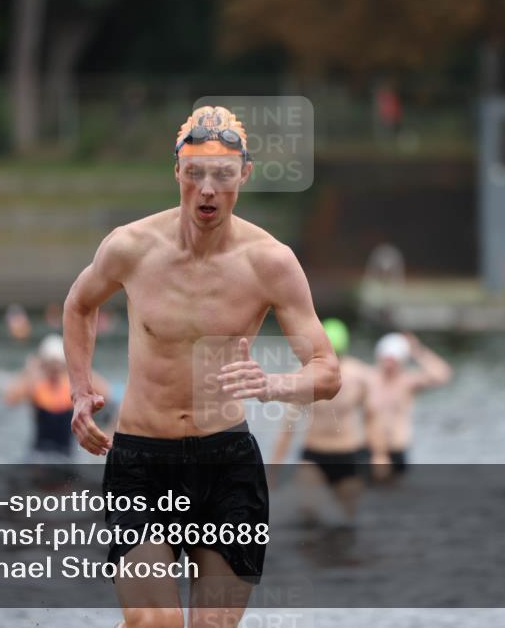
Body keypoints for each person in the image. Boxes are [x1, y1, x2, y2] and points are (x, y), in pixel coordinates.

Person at [63, 106, 341, 628]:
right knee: (157, 623)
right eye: (195, 174)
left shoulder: (270, 262)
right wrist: (80, 391)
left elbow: (327, 372)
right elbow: (79, 304)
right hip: (142, 461)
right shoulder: (131, 247)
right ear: (177, 173)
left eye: (223, 175)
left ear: (245, 175)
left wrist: (274, 383)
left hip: (226, 462)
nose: (208, 190)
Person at [270, 318, 384, 522]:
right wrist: (272, 470)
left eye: (337, 355)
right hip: (314, 454)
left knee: (349, 520)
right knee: (309, 510)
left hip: (349, 453)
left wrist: (379, 454)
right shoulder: (303, 377)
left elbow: (371, 418)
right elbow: (288, 427)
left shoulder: (361, 377)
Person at [4, 334, 109, 458]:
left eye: (57, 365)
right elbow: (9, 399)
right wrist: (29, 371)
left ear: (63, 364)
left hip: (66, 454)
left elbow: (105, 393)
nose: (54, 370)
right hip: (39, 453)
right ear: (44, 364)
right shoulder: (36, 386)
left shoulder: (72, 387)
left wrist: (79, 367)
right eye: (50, 365)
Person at [368, 332, 452, 475]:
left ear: (401, 360)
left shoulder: (406, 382)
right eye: (386, 359)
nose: (389, 364)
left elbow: (442, 375)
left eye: (393, 360)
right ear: (379, 357)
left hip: (398, 449)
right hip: (372, 450)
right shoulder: (368, 379)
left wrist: (417, 350)